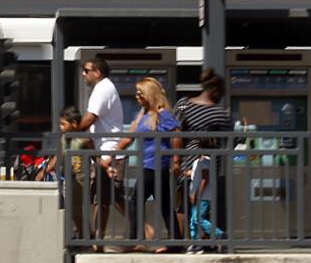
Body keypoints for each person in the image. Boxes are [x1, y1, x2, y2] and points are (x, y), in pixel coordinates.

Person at [115, 77, 183, 251]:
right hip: (148, 165)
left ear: (149, 94)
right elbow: (130, 136)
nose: (137, 95)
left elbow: (176, 134)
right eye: (136, 92)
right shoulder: (144, 114)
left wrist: (176, 160)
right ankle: (175, 242)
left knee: (135, 201)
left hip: (156, 165)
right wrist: (112, 153)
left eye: (140, 92)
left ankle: (136, 240)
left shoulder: (162, 113)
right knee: (164, 205)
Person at [71, 58, 126, 242]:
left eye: (87, 70)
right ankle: (97, 239)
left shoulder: (102, 89)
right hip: (105, 152)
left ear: (97, 72)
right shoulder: (103, 88)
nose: (83, 74)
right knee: (105, 198)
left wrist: (73, 131)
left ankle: (141, 229)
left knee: (108, 199)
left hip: (109, 153)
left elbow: (90, 118)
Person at [174, 68, 232, 240]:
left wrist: (176, 161)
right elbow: (230, 141)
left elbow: (175, 133)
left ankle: (185, 242)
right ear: (215, 90)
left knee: (183, 207)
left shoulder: (183, 104)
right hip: (211, 169)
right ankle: (204, 242)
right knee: (203, 209)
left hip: (186, 167)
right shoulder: (220, 114)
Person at [56, 105, 93, 240]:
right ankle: (85, 234)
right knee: (73, 209)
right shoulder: (64, 138)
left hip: (81, 178)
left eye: (63, 124)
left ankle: (85, 236)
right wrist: (47, 168)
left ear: (74, 124)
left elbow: (94, 154)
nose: (61, 127)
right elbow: (60, 155)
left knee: (75, 209)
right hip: (70, 179)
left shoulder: (83, 139)